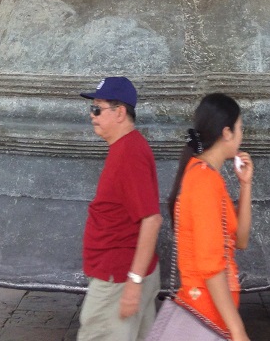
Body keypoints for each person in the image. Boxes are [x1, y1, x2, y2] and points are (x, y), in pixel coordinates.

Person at [78, 76, 162, 341]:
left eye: (97, 109)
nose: (92, 116)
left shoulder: (129, 154)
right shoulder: (127, 147)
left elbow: (151, 219)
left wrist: (134, 282)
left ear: (120, 112)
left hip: (118, 279)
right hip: (124, 274)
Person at [167, 93, 253, 341]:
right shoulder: (204, 181)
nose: (241, 135)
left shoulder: (207, 176)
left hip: (212, 312)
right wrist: (237, 329)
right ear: (227, 133)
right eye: (240, 128)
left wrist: (245, 185)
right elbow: (211, 267)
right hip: (204, 313)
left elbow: (241, 240)